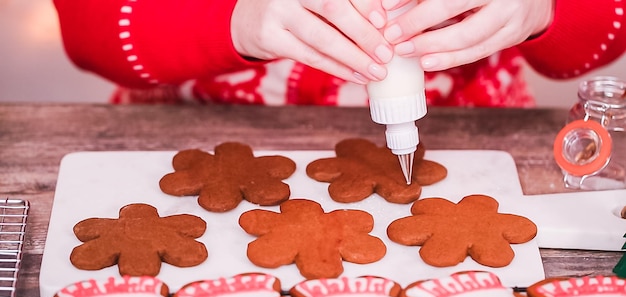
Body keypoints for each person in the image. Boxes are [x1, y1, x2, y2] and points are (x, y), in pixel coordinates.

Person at [53, 0, 626, 106]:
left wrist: (544, 10)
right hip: (193, 128)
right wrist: (231, 21)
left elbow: (608, 23)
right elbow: (87, 26)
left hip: (473, 132)